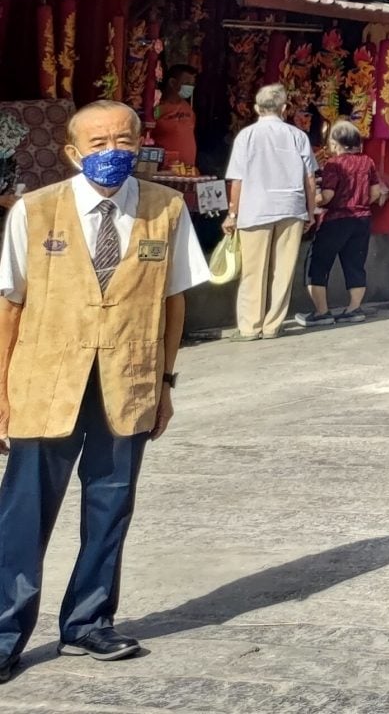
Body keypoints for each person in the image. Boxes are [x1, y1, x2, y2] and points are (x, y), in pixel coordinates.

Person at [0, 101, 212, 681]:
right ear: (72, 153)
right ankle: (4, 630)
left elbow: (175, 303)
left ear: (140, 144)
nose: (111, 151)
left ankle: (89, 621)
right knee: (23, 512)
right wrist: (0, 390)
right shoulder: (35, 211)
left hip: (130, 380)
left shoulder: (165, 209)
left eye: (123, 140)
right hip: (46, 381)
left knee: (110, 504)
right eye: (97, 142)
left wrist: (166, 383)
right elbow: (9, 307)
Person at [223, 84, 319, 341]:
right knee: (283, 270)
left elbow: (237, 180)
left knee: (253, 271)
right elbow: (310, 179)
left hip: (254, 209)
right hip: (291, 208)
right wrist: (311, 211)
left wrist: (232, 213)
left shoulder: (247, 136)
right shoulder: (298, 136)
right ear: (285, 109)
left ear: (256, 108)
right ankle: (273, 325)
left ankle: (250, 327)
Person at [299, 120, 389, 327]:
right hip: (362, 220)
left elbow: (328, 195)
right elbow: (375, 193)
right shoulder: (368, 162)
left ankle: (322, 312)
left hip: (336, 220)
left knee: (318, 264)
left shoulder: (334, 164)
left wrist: (312, 201)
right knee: (355, 264)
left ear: (335, 143)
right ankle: (353, 309)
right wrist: (359, 203)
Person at [147, 64, 200, 173]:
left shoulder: (187, 108)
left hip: (187, 172)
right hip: (164, 171)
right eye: (187, 83)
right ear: (172, 83)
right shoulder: (158, 107)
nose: (190, 87)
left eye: (192, 84)